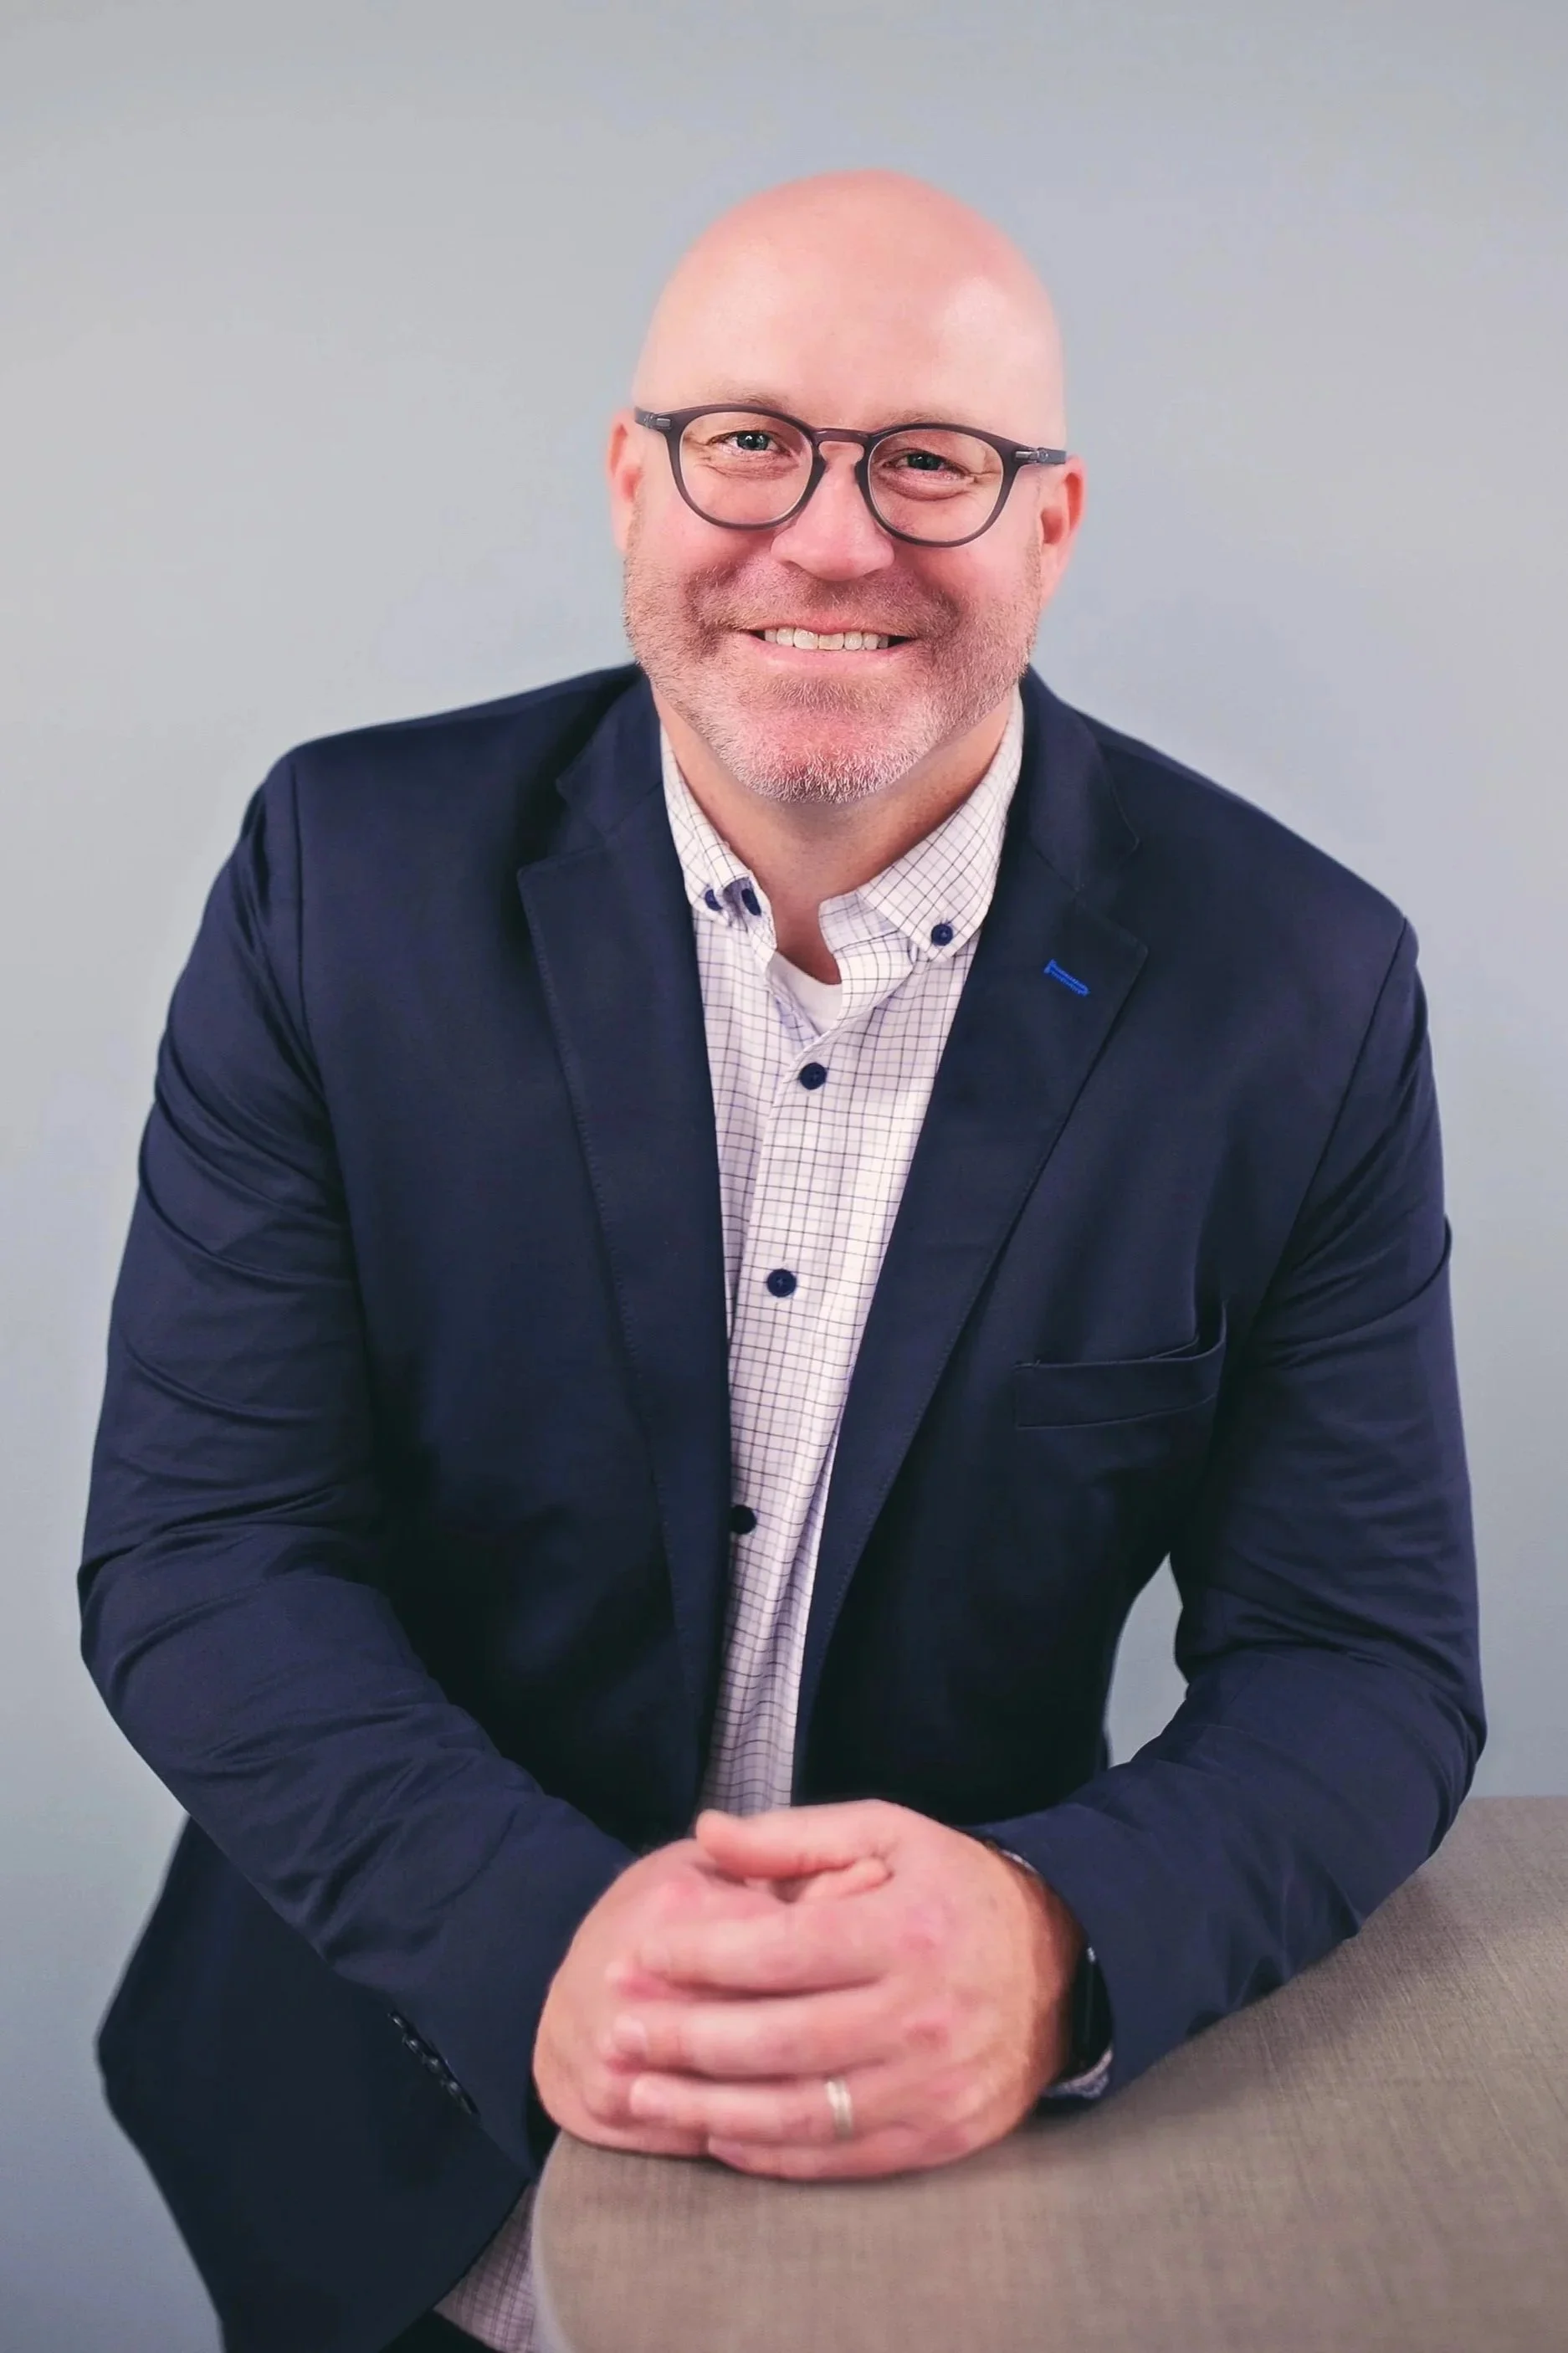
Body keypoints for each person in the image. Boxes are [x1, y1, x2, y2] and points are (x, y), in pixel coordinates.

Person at [79, 169, 1482, 2353]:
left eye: (931, 459)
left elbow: (1360, 1656)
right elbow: (206, 1548)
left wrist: (1056, 1940)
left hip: (960, 2171)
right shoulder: (339, 880)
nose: (829, 540)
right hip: (383, 2118)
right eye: (747, 441)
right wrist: (545, 1937)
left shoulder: (1299, 988)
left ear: (1052, 525)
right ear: (631, 484)